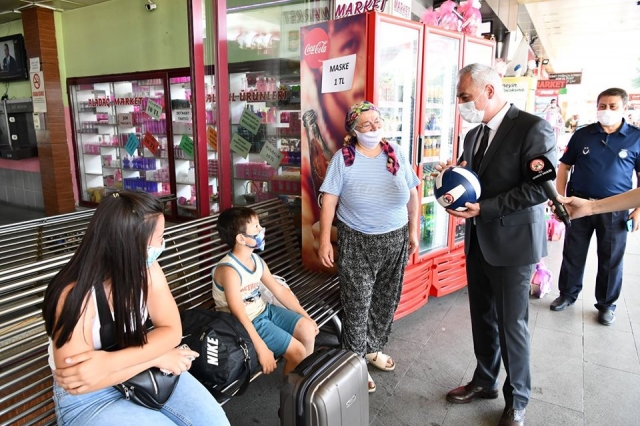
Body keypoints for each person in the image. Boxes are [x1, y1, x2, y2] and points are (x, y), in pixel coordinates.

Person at [42, 191, 229, 426]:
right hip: (91, 399)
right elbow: (79, 381)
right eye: (158, 237)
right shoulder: (74, 295)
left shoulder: (148, 270)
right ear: (129, 244)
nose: (161, 245)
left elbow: (171, 330)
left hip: (144, 372)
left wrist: (111, 362)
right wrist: (156, 357)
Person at [435, 64, 556, 426]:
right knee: (482, 318)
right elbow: (472, 180)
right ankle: (485, 380)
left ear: (489, 90)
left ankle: (517, 398)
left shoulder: (533, 128)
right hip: (478, 241)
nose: (460, 104)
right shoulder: (473, 135)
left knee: (511, 324)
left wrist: (484, 207)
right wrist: (449, 180)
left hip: (514, 244)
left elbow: (539, 189)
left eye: (464, 96)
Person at [317, 101, 420, 393]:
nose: (374, 127)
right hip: (357, 240)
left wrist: (413, 231)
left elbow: (413, 193)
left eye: (378, 121)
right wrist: (325, 239)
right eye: (366, 124)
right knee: (357, 304)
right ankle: (355, 362)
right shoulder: (343, 158)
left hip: (395, 238)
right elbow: (329, 200)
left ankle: (372, 348)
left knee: (386, 301)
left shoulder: (396, 152)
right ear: (353, 129)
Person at [550, 88, 640, 326]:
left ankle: (607, 304)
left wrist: (638, 210)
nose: (606, 111)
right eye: (602, 106)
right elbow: (564, 168)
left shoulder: (636, 137)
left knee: (611, 258)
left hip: (615, 209)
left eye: (612, 106)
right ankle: (567, 294)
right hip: (578, 205)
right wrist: (560, 197)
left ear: (624, 108)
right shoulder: (583, 135)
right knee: (573, 252)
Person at [212, 207, 319, 376]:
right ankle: (293, 396)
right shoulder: (229, 271)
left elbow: (279, 291)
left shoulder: (256, 260)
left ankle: (305, 380)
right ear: (241, 238)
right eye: (255, 227)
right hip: (245, 322)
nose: (261, 230)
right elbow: (239, 314)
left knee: (307, 329)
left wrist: (306, 316)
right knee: (298, 351)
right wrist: (261, 348)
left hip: (263, 311)